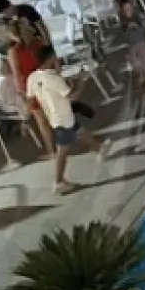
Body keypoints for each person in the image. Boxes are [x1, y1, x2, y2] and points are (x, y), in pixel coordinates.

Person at [26, 45, 111, 195]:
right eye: (55, 57)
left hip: (54, 117)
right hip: (63, 118)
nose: (57, 59)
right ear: (50, 59)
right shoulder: (54, 79)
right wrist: (81, 82)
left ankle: (99, 148)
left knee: (79, 130)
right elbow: (72, 97)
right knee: (63, 152)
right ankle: (58, 181)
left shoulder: (32, 77)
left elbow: (30, 98)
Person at [6, 18, 52, 152]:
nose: (29, 28)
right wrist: (23, 94)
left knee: (48, 117)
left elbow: (50, 57)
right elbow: (17, 75)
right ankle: (52, 150)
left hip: (41, 83)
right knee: (43, 119)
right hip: (34, 87)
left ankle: (55, 149)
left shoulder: (37, 42)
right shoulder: (16, 51)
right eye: (25, 27)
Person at [119, 0, 145, 91]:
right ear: (122, 10)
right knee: (133, 62)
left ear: (132, 8)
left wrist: (137, 26)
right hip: (131, 44)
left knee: (144, 60)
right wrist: (127, 28)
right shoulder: (122, 21)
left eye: (129, 8)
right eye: (125, 9)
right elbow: (122, 35)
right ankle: (141, 74)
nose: (127, 11)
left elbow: (144, 28)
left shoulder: (137, 16)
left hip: (140, 41)